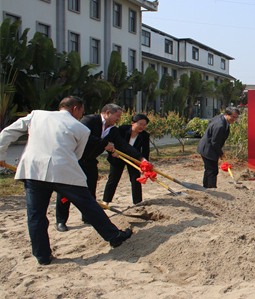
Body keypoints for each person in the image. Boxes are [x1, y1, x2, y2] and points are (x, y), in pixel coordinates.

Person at [0, 96, 133, 265]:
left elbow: (7, 132)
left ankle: (42, 256)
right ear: (75, 108)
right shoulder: (80, 128)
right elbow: (76, 154)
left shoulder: (36, 115)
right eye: (81, 112)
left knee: (35, 215)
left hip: (33, 171)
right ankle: (114, 236)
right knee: (89, 205)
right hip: (64, 171)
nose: (81, 116)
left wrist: (1, 153)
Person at [55, 104, 145, 232]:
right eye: (117, 116)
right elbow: (86, 136)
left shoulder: (113, 129)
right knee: (66, 190)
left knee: (90, 191)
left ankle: (87, 217)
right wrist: (104, 144)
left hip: (91, 162)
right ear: (108, 113)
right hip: (75, 161)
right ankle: (61, 220)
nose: (118, 119)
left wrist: (141, 159)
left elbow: (123, 145)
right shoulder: (90, 120)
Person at [102, 113, 151, 205]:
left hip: (134, 158)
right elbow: (108, 142)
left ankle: (138, 202)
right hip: (118, 156)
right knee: (113, 178)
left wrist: (144, 164)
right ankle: (106, 201)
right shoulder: (121, 130)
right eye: (140, 124)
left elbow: (145, 151)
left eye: (144, 125)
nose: (142, 127)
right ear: (133, 123)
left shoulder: (144, 135)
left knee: (135, 179)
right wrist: (112, 152)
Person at [197, 107, 240, 188]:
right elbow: (215, 142)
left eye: (236, 117)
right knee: (212, 171)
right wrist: (220, 153)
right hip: (208, 149)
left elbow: (210, 122)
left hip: (208, 147)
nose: (234, 119)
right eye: (233, 117)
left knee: (209, 170)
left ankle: (206, 187)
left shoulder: (221, 118)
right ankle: (211, 189)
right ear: (226, 114)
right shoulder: (220, 125)